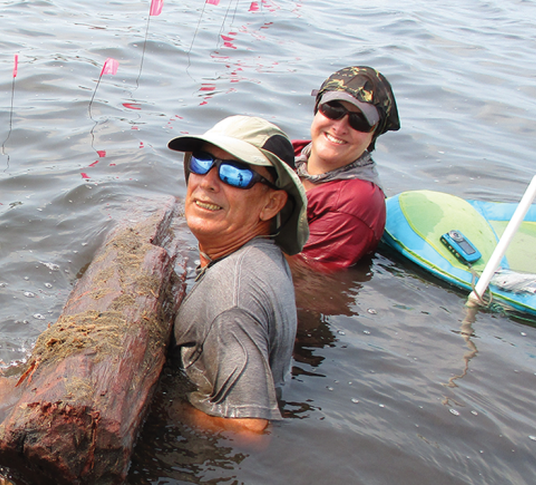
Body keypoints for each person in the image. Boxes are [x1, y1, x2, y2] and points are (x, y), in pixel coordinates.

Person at [166, 115, 309, 434]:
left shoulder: (232, 297)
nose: (207, 181)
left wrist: (165, 411)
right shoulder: (262, 255)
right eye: (201, 162)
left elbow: (249, 427)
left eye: (237, 174)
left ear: (272, 204)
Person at [293, 65, 401, 270]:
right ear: (317, 108)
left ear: (373, 135)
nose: (339, 127)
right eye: (333, 109)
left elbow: (302, 275)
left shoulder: (356, 204)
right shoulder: (290, 152)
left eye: (359, 121)